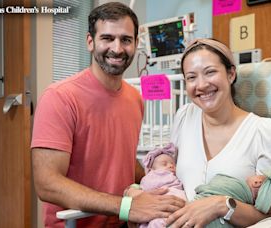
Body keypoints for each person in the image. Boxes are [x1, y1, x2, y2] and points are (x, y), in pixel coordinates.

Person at [31, 2, 184, 227]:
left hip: (122, 222)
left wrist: (160, 181)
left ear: (135, 43)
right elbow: (47, 183)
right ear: (90, 42)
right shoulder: (60, 98)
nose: (117, 48)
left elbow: (119, 160)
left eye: (126, 39)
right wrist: (126, 207)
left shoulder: (134, 99)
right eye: (107, 38)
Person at [166, 38, 271, 227]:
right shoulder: (184, 116)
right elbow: (167, 173)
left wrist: (222, 205)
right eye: (191, 77)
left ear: (231, 74)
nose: (201, 85)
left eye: (210, 72)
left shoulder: (262, 131)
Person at [194, 167, 271, 227]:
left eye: (259, 175)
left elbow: (216, 182)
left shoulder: (236, 186)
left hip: (198, 211)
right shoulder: (244, 209)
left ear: (257, 183)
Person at [132, 143, 187, 228]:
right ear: (151, 170)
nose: (170, 166)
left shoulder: (176, 176)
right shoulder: (153, 176)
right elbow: (145, 187)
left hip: (175, 202)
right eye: (164, 164)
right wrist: (136, 188)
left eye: (172, 164)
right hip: (159, 205)